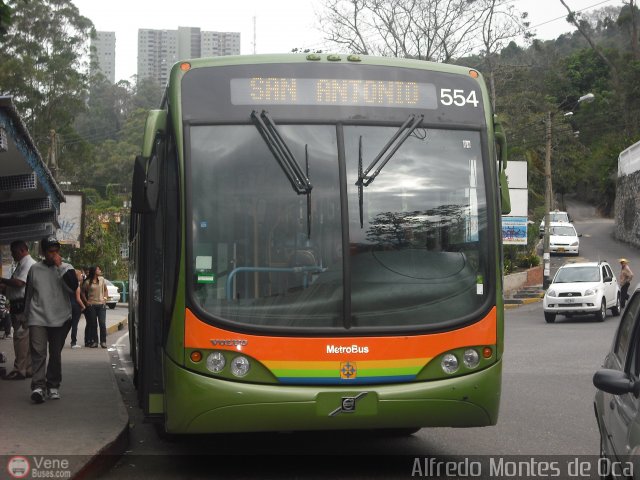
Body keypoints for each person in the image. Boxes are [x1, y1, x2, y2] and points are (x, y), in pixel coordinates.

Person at [25, 236, 78, 403]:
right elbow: (29, 294)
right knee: (38, 353)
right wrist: (24, 316)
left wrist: (59, 266)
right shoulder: (34, 269)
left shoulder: (66, 268)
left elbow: (73, 286)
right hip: (38, 317)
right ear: (43, 252)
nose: (53, 254)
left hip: (60, 319)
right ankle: (38, 387)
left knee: (55, 353)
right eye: (50, 251)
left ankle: (53, 385)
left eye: (56, 251)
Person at [0, 240, 36, 380]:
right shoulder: (22, 264)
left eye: (14, 252)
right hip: (18, 305)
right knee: (24, 339)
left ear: (22, 250)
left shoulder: (28, 264)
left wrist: (2, 280)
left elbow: (19, 283)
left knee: (20, 338)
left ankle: (20, 369)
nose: (12, 255)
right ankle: (27, 368)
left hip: (23, 307)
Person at [81, 266, 109, 348]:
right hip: (91, 305)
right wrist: (86, 302)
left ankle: (103, 342)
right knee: (93, 324)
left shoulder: (102, 279)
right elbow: (82, 292)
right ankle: (95, 342)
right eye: (98, 269)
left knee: (102, 323)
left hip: (101, 305)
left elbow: (106, 290)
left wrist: (105, 299)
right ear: (94, 271)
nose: (100, 270)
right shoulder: (87, 282)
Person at [69, 269, 86, 348]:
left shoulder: (69, 285)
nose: (82, 276)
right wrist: (83, 306)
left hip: (69, 306)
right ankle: (73, 342)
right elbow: (78, 299)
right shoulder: (77, 286)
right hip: (76, 306)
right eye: (80, 275)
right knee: (74, 324)